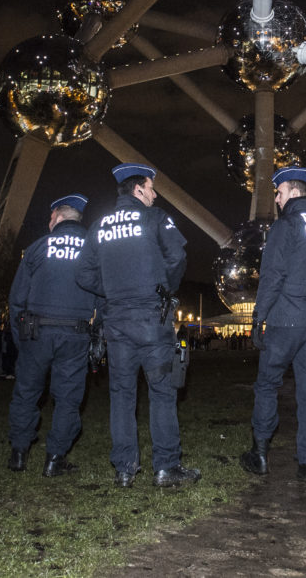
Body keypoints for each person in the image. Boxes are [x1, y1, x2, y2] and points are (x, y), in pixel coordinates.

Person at [75, 163, 199, 489]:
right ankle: (166, 467)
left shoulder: (100, 225)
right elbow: (177, 257)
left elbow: (83, 274)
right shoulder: (155, 218)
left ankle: (124, 469)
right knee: (162, 392)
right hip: (151, 319)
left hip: (116, 322)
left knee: (121, 394)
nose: (155, 195)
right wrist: (163, 289)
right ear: (138, 189)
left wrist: (114, 289)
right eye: (151, 188)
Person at [240, 167, 306, 483]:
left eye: (279, 193)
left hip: (285, 319)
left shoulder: (285, 226)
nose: (277, 199)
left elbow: (272, 275)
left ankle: (259, 454)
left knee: (267, 383)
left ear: (294, 192)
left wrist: (259, 317)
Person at [6, 194, 97, 477]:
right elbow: (103, 297)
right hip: (75, 334)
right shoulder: (93, 249)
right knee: (68, 399)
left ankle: (18, 454)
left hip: (36, 332)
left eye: (50, 217)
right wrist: (96, 333)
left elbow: (17, 299)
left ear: (57, 216)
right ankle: (54, 459)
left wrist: (19, 338)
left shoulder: (37, 248)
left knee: (26, 393)